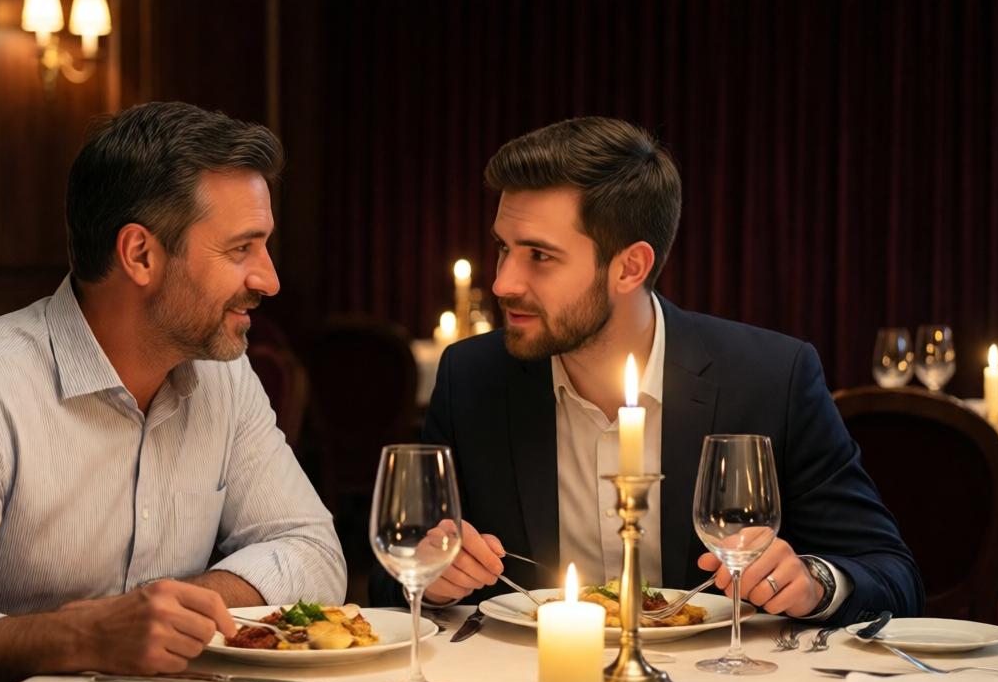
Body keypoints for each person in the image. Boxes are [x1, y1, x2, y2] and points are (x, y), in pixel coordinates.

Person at [0, 102, 346, 682]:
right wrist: (83, 636)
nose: (269, 279)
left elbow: (313, 548)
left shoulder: (225, 379)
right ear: (139, 255)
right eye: (242, 249)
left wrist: (185, 605)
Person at [370, 117, 923, 627]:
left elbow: (892, 574)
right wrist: (432, 579)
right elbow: (389, 579)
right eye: (503, 249)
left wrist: (814, 582)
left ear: (630, 266)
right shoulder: (473, 378)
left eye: (539, 256)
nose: (504, 283)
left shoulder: (771, 377)